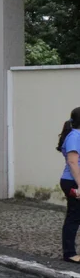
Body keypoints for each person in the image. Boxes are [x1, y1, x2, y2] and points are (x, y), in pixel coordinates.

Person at [56, 107, 80, 264]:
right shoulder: (74, 136)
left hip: (75, 180)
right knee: (74, 216)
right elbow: (72, 161)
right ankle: (69, 253)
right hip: (73, 181)